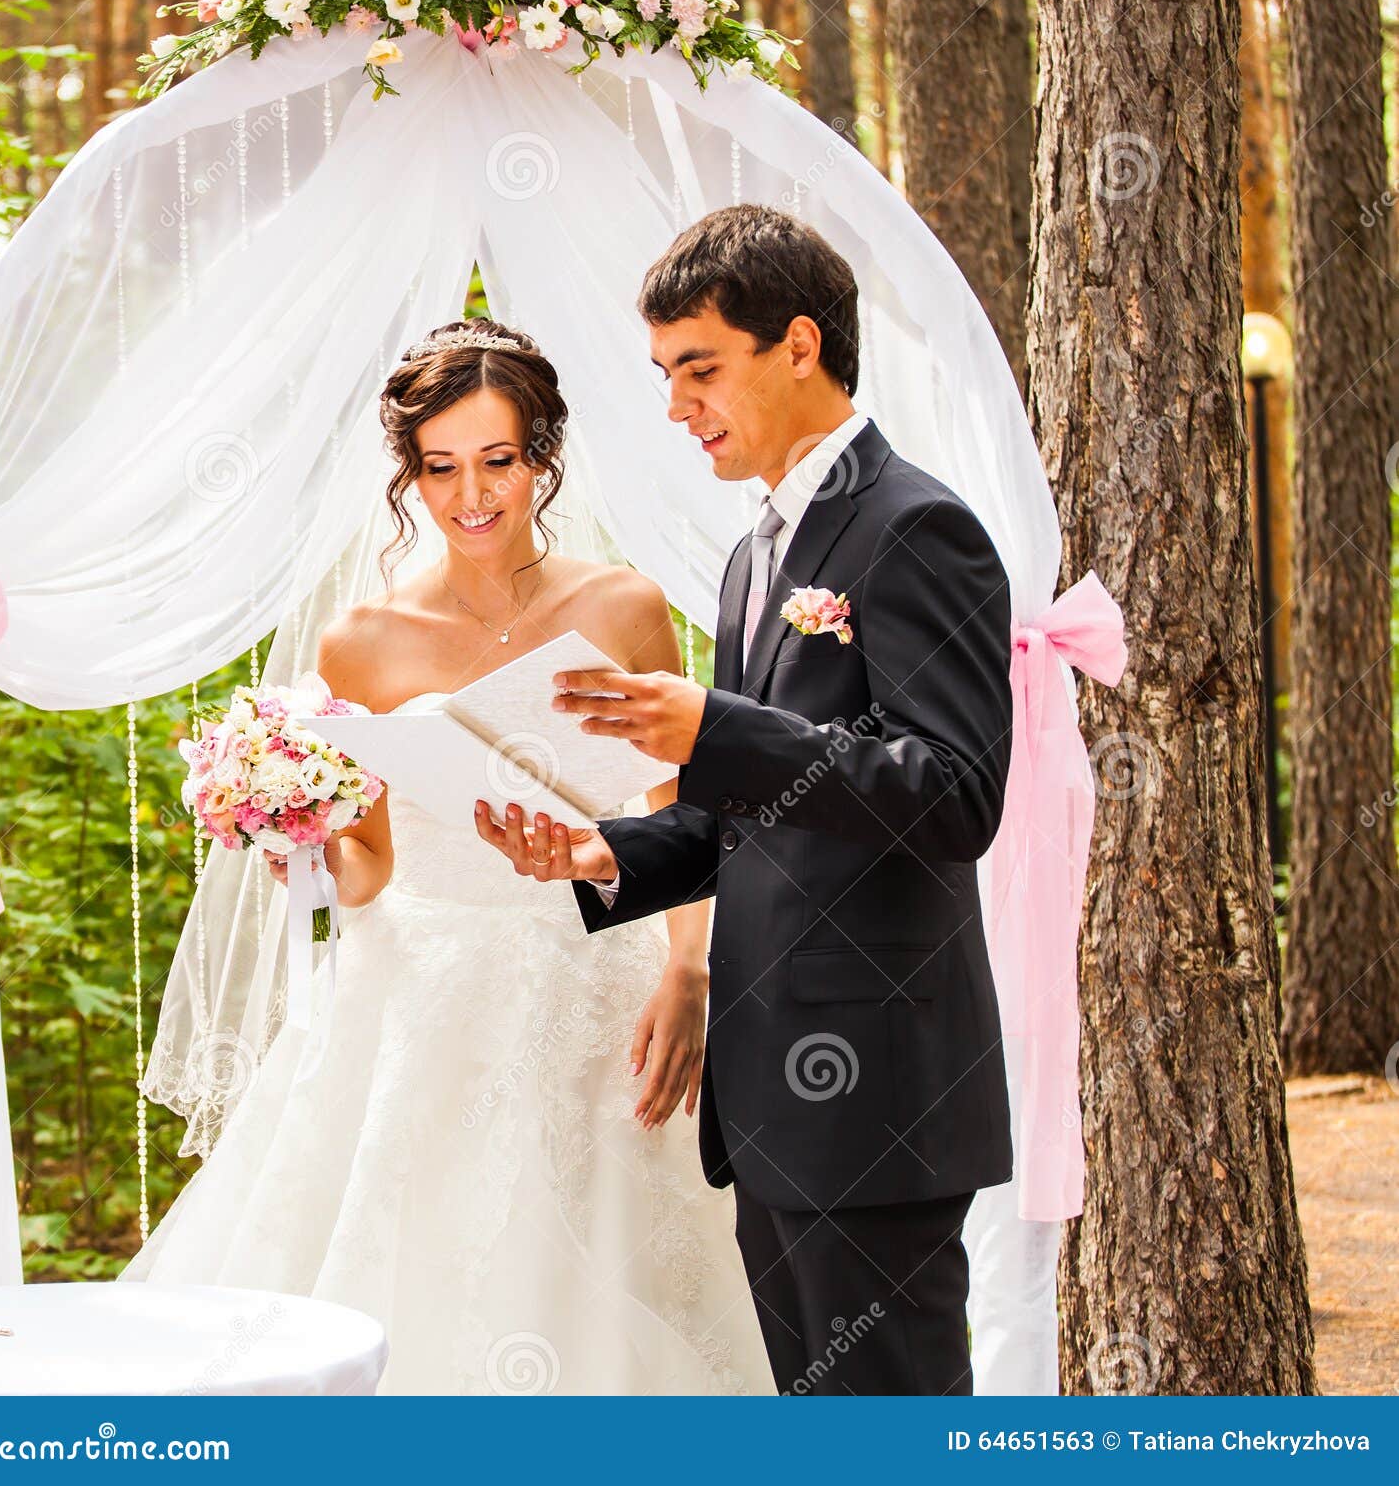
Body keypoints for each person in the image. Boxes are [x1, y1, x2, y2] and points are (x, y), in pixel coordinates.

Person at [119, 317, 774, 1397]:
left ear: (543, 461)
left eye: (498, 462)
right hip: (415, 993)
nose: (472, 495)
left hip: (598, 977)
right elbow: (372, 866)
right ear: (409, 475)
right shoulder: (360, 641)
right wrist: (308, 847)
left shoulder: (622, 606)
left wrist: (687, 970)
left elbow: (687, 812)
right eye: (440, 467)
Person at [477, 206, 1016, 1395]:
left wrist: (715, 726)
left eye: (701, 369)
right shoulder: (752, 552)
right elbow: (752, 817)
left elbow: (955, 792)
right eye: (667, 375)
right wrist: (599, 853)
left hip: (877, 1091)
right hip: (772, 1092)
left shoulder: (918, 527)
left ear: (801, 345)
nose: (678, 407)